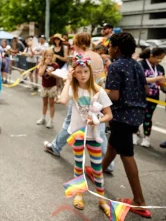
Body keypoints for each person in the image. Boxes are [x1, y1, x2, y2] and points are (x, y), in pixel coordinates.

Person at [43, 32, 114, 173]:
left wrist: (69, 78)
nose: (73, 46)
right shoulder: (98, 56)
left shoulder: (81, 58)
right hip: (96, 96)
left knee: (72, 123)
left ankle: (56, 146)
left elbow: (77, 80)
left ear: (79, 44)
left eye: (74, 43)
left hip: (81, 94)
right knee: (98, 127)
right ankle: (107, 163)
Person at [100, 32, 152, 218]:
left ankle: (139, 200)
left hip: (122, 116)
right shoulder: (136, 65)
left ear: (117, 48)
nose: (108, 49)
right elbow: (145, 89)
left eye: (110, 46)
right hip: (137, 114)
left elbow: (113, 96)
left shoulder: (116, 66)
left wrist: (98, 90)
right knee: (113, 145)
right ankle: (99, 171)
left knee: (127, 154)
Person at [59, 54, 112, 216]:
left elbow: (109, 115)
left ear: (90, 73)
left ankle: (101, 199)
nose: (82, 75)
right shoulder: (73, 88)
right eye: (79, 72)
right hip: (77, 135)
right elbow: (62, 100)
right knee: (78, 166)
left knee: (97, 168)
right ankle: (78, 195)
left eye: (85, 72)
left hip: (93, 136)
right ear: (74, 73)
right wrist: (68, 80)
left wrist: (98, 121)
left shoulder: (98, 90)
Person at [137, 47, 166, 147]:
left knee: (148, 117)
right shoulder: (140, 64)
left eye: (162, 59)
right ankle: (134, 134)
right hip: (139, 96)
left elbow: (161, 84)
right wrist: (156, 78)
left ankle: (146, 137)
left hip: (154, 97)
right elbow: (140, 79)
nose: (160, 61)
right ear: (151, 55)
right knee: (136, 115)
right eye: (158, 58)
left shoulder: (160, 68)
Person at [36, 49, 59, 128]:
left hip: (52, 86)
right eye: (47, 55)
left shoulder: (55, 65)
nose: (48, 57)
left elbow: (58, 77)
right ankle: (43, 117)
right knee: (44, 103)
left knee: (51, 104)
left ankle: (51, 120)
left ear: (53, 56)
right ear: (44, 56)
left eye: (50, 55)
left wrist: (52, 74)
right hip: (44, 86)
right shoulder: (42, 64)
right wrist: (45, 65)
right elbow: (40, 74)